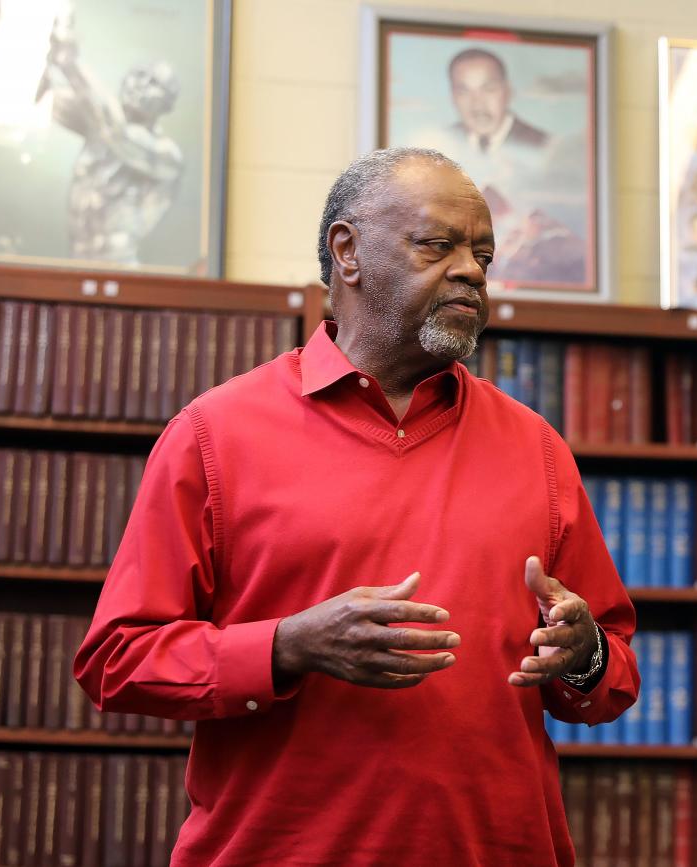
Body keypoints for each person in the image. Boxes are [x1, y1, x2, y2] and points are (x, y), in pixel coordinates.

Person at [73, 148, 640, 866]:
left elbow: (610, 677)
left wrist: (583, 653)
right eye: (438, 245)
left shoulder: (537, 448)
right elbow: (116, 661)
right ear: (347, 252)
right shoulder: (215, 434)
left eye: (483, 256)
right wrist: (287, 646)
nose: (469, 269)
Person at [38, 9, 183, 266]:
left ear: (168, 104)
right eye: (138, 75)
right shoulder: (97, 125)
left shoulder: (166, 154)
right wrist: (51, 47)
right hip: (74, 263)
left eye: (153, 83)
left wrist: (71, 62)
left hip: (120, 267)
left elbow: (117, 132)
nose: (140, 85)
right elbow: (49, 97)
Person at [447, 48, 548, 154]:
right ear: (453, 97)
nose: (477, 104)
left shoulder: (545, 146)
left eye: (489, 89)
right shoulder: (438, 145)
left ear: (508, 92)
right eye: (464, 92)